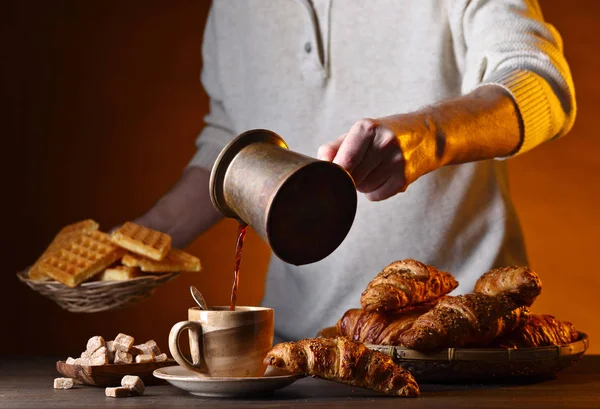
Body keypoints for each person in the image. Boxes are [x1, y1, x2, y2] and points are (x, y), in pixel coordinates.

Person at [135, 1, 576, 343]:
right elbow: (231, 142)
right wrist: (139, 241)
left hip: (461, 346)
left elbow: (540, 82)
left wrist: (429, 134)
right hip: (294, 352)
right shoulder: (232, 9)